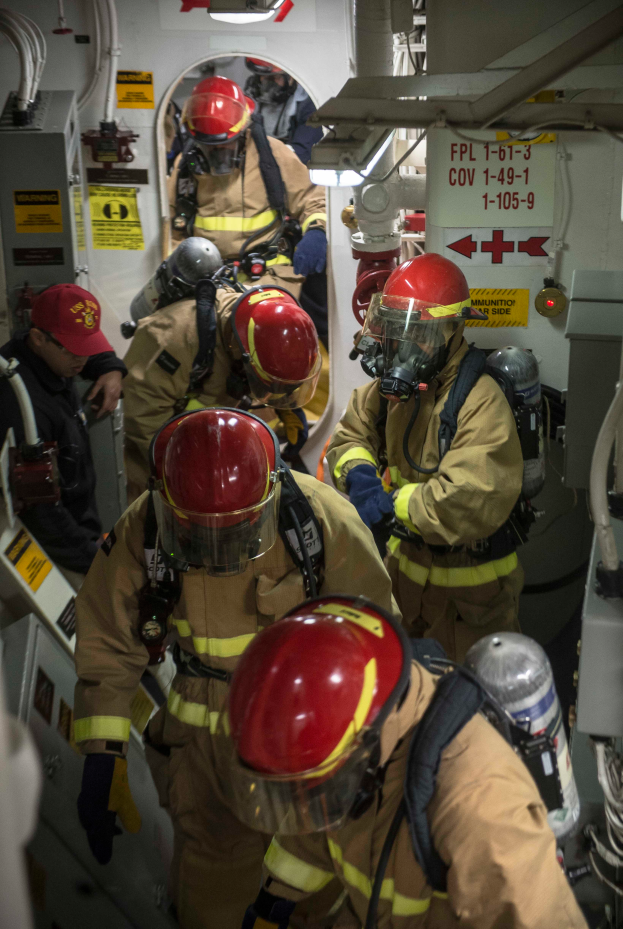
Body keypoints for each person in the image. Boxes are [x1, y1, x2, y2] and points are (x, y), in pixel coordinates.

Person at [73, 407, 399, 929]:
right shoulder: (148, 524)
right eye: (199, 534)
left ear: (269, 492)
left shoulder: (318, 522)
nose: (219, 551)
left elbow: (375, 640)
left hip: (300, 744)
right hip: (203, 758)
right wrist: (103, 750)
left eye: (236, 532)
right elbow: (108, 638)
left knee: (307, 889)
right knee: (208, 898)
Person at [216, 595, 588, 929]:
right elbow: (311, 830)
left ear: (363, 744)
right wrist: (273, 906)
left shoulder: (479, 805)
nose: (299, 800)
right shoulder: (341, 763)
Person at [327, 253, 524, 662]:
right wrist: (361, 476)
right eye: (395, 331)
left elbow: (467, 496)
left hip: (471, 599)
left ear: (452, 331)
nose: (400, 347)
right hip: (402, 579)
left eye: (417, 332)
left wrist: (392, 504)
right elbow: (348, 437)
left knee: (466, 704)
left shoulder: (480, 401)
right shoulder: (390, 394)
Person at [122, 285, 322, 504]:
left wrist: (284, 402)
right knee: (153, 517)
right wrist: (180, 467)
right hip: (158, 455)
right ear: (243, 354)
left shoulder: (268, 320)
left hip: (210, 442)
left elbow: (265, 370)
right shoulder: (173, 339)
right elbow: (142, 417)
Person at [168, 74, 328, 346]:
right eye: (209, 147)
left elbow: (313, 199)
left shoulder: (272, 155)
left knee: (268, 345)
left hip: (268, 278)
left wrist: (317, 230)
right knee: (188, 342)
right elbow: (173, 224)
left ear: (244, 130)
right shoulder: (186, 165)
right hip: (207, 283)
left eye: (225, 145)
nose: (218, 154)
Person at [0, 284, 126, 588]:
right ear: (38, 338)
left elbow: (88, 354)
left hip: (82, 527)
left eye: (88, 347)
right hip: (56, 550)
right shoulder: (21, 404)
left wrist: (111, 369)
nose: (82, 360)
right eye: (73, 349)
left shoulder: (52, 358)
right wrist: (91, 558)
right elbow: (39, 510)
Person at [243, 59, 323, 166]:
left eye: (276, 77)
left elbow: (302, 152)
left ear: (291, 78)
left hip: (288, 168)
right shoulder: (248, 101)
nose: (268, 84)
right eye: (264, 77)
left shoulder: (308, 106)